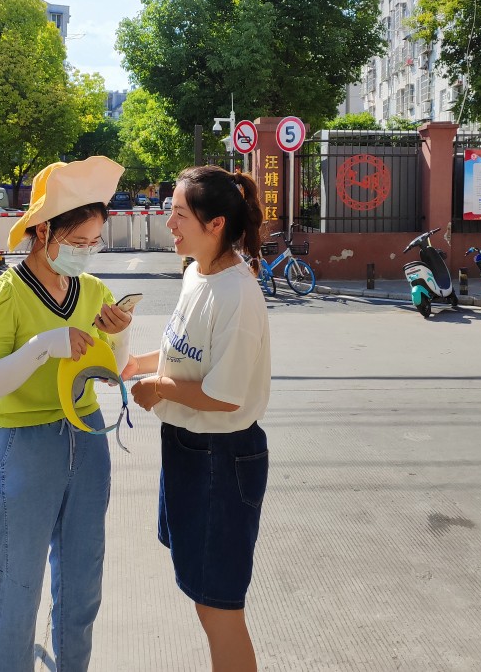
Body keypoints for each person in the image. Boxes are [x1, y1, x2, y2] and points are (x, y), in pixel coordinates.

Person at [0, 156, 134, 672]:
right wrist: (42, 347)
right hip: (25, 445)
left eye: (93, 243)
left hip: (87, 440)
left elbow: (112, 372)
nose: (86, 252)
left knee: (83, 582)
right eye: (77, 241)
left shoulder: (94, 292)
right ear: (42, 232)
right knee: (19, 587)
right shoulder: (1, 296)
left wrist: (120, 332)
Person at [126, 165, 271, 672]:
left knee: (219, 608)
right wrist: (136, 365)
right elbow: (184, 353)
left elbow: (225, 396)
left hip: (221, 460)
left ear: (215, 225)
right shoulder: (196, 274)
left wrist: (158, 388)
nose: (169, 224)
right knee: (204, 598)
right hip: (188, 449)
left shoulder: (237, 294)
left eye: (179, 214)